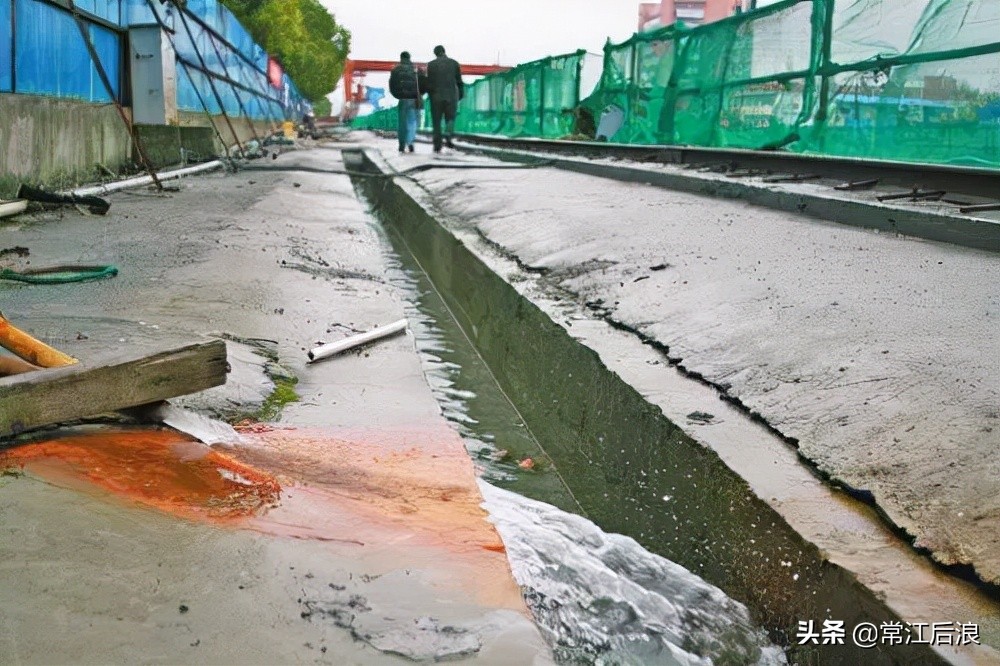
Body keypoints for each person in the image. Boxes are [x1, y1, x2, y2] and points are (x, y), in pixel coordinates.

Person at [425, 45, 464, 153]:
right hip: (451, 97)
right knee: (450, 119)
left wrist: (430, 95)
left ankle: (437, 145)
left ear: (435, 54)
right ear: (444, 51)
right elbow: (459, 81)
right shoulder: (454, 63)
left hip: (436, 97)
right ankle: (448, 138)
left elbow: (429, 83)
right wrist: (460, 95)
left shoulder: (431, 65)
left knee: (436, 122)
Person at [388, 51, 426, 153]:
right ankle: (410, 142)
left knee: (402, 123)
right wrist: (420, 94)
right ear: (410, 58)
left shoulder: (396, 70)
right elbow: (424, 83)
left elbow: (392, 85)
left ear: (401, 58)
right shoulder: (417, 69)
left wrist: (397, 95)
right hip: (414, 99)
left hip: (402, 99)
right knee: (412, 121)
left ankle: (401, 145)